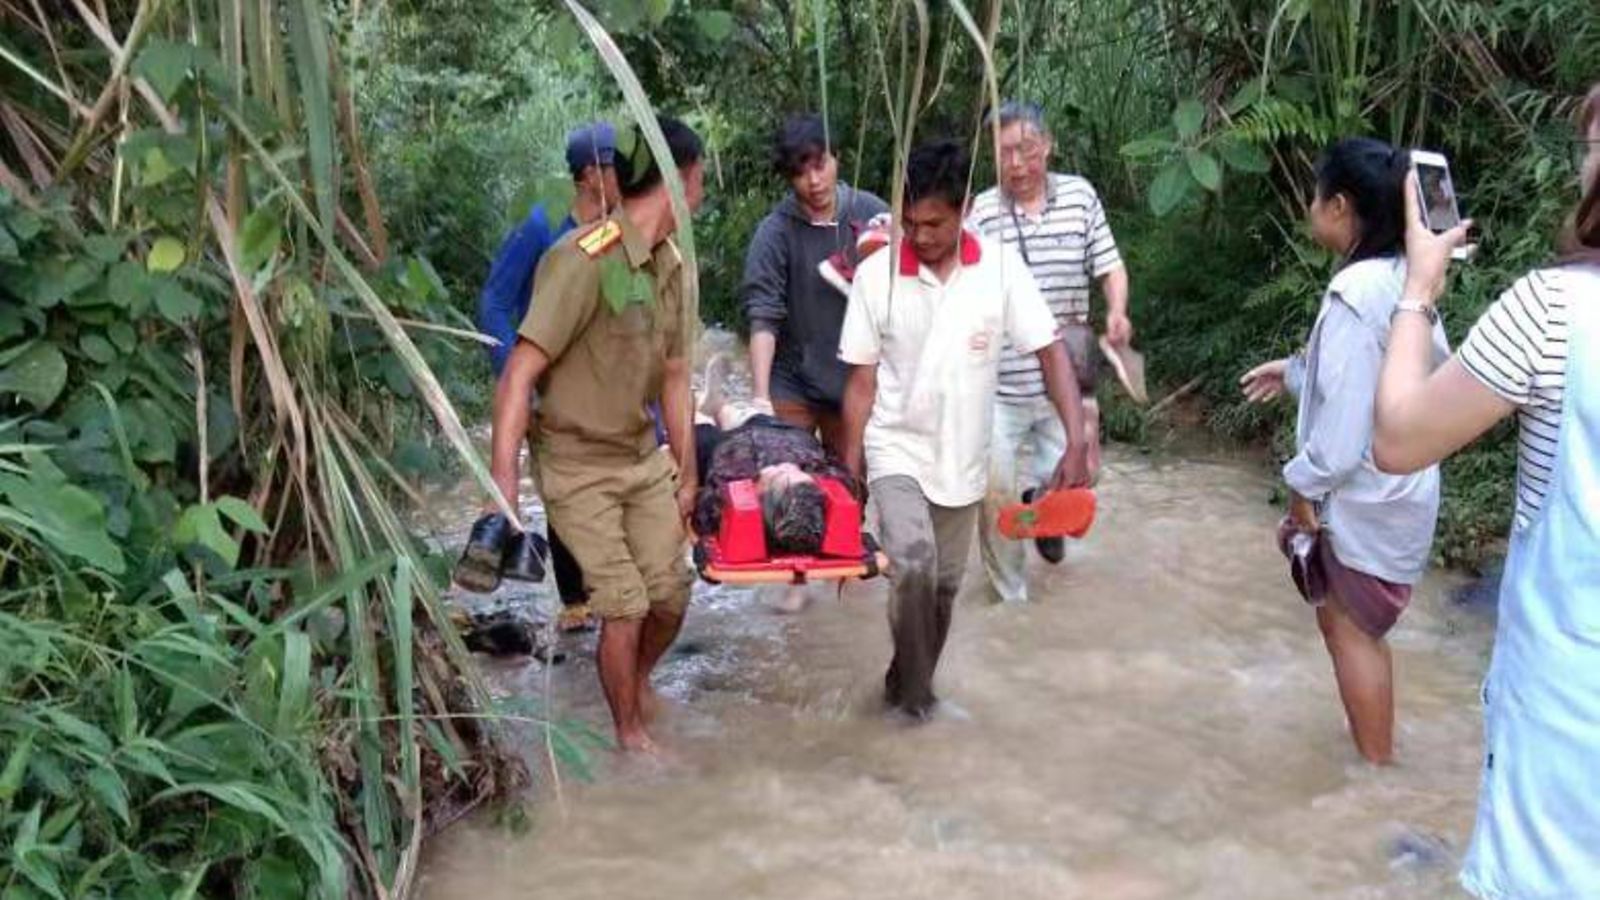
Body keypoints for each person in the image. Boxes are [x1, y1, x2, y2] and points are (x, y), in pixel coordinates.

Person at [1370, 84, 1600, 898]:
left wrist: (1418, 289)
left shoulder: (1555, 309)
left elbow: (1397, 438)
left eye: (1592, 150)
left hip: (1573, 709)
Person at [838, 139, 1091, 721]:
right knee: (915, 563)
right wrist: (849, 471)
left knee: (945, 592)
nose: (920, 236)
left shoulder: (1000, 268)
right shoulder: (877, 275)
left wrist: (1076, 438)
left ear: (965, 211)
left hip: (964, 457)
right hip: (895, 445)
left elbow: (1050, 352)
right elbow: (860, 383)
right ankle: (921, 703)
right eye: (910, 223)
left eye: (934, 223)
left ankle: (901, 690)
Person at [488, 116, 705, 754]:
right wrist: (504, 489)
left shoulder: (671, 265)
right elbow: (520, 371)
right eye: (700, 179)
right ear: (681, 180)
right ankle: (629, 740)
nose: (704, 192)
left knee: (670, 593)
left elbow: (674, 375)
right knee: (625, 603)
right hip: (576, 462)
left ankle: (632, 686)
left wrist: (686, 473)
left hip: (640, 456)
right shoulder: (581, 259)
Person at [1239, 138, 1449, 765]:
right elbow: (1399, 375)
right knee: (1362, 633)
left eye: (1313, 195)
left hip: (1363, 498)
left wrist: (1301, 493)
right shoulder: (1405, 281)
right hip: (1403, 488)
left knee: (1350, 633)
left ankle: (1376, 771)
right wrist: (1299, 373)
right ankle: (1375, 749)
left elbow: (1338, 439)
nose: (1310, 206)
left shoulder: (1354, 292)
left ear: (1338, 206)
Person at [968, 101, 1131, 604]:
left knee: (1078, 475)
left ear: (1048, 144)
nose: (1017, 164)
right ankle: (1010, 598)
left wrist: (1117, 311)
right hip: (999, 384)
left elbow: (1110, 265)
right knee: (992, 491)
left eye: (1026, 149)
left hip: (1068, 379)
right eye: (1005, 154)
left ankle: (1044, 516)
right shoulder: (982, 212)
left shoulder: (1081, 197)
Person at [460, 122, 619, 630]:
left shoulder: (620, 230)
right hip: (542, 379)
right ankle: (577, 604)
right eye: (619, 167)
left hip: (599, 382)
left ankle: (602, 594)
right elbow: (494, 301)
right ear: (591, 174)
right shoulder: (541, 225)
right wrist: (514, 375)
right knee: (562, 485)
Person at [742, 114, 889, 455]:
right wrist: (761, 398)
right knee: (787, 478)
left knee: (853, 489)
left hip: (858, 380)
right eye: (800, 172)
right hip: (792, 384)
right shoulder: (774, 233)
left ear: (836, 158)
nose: (814, 181)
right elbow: (764, 317)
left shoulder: (871, 213)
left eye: (821, 165)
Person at [688, 356, 859, 556]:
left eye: (777, 476)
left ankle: (702, 406)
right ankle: (719, 406)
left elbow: (700, 519)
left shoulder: (729, 492)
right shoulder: (822, 479)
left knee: (700, 433)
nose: (786, 466)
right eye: (802, 475)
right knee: (753, 417)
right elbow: (846, 480)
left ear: (760, 496)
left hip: (726, 449)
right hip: (779, 433)